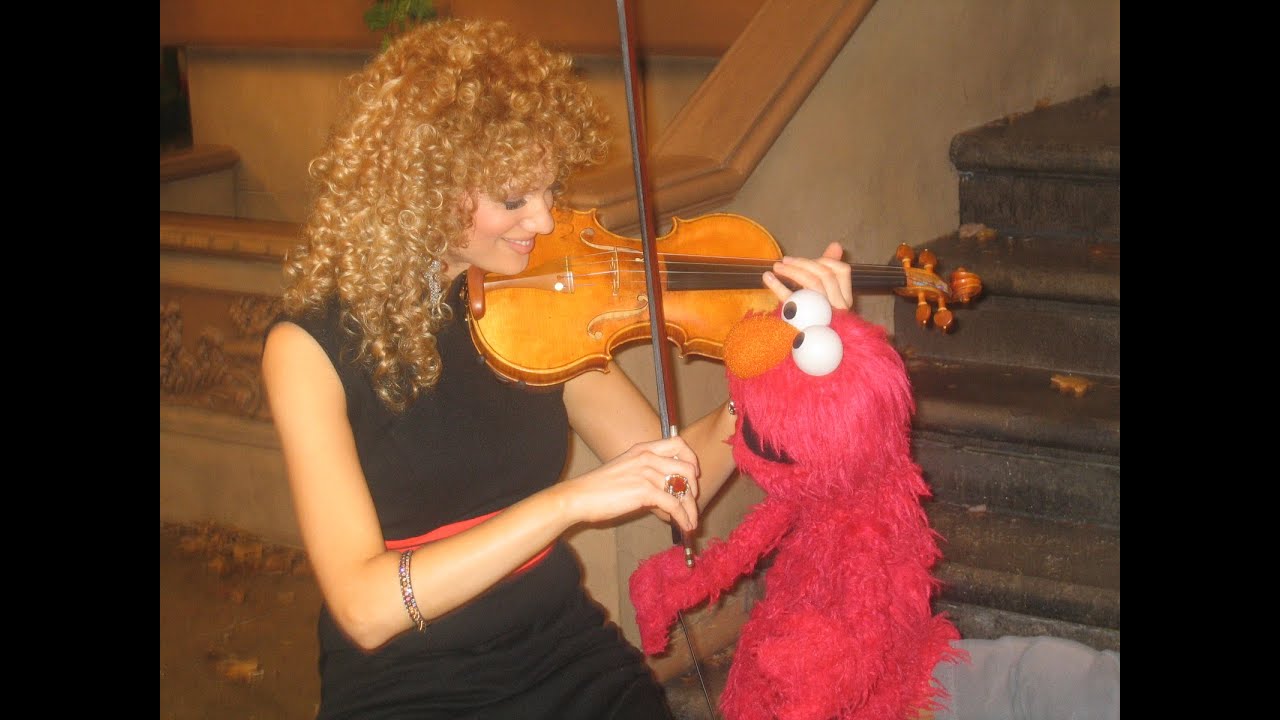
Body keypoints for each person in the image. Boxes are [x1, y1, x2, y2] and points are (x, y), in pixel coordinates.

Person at [261, 17, 854, 720]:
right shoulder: (308, 349)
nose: (544, 222)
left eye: (549, 190)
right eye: (514, 199)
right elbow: (365, 609)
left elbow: (673, 469)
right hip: (409, 682)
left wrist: (779, 368)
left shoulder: (534, 303)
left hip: (561, 650)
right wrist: (566, 504)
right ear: (421, 189)